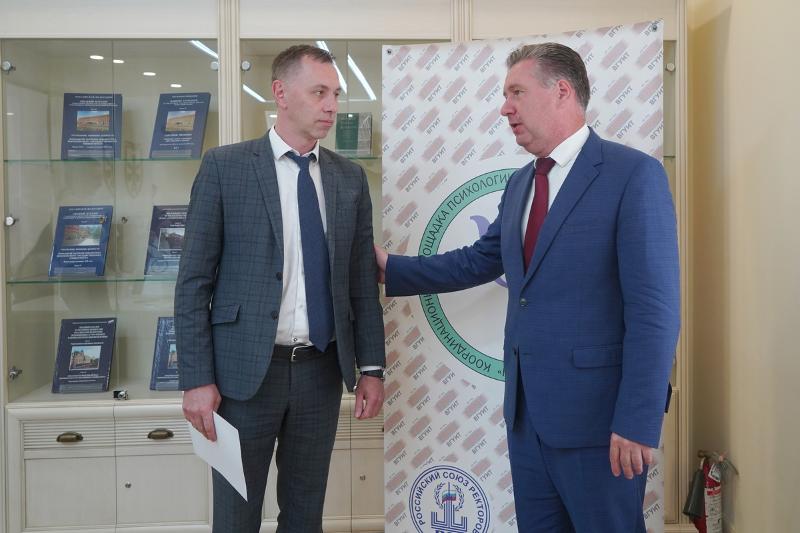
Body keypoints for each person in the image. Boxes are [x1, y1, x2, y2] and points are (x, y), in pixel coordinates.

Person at [375, 42, 679, 532]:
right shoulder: (521, 183)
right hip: (527, 421)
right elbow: (481, 260)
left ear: (561, 92)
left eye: (516, 92)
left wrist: (638, 420)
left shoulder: (633, 175)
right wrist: (391, 268)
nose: (505, 108)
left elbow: (655, 311)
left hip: (601, 425)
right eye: (505, 95)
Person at [175, 44, 385, 533]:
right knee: (236, 516)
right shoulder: (225, 168)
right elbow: (193, 283)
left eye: (336, 94)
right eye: (319, 92)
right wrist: (196, 379)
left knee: (305, 514)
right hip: (243, 377)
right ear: (281, 93)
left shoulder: (349, 179)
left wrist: (372, 367)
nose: (332, 105)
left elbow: (360, 282)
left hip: (320, 372)